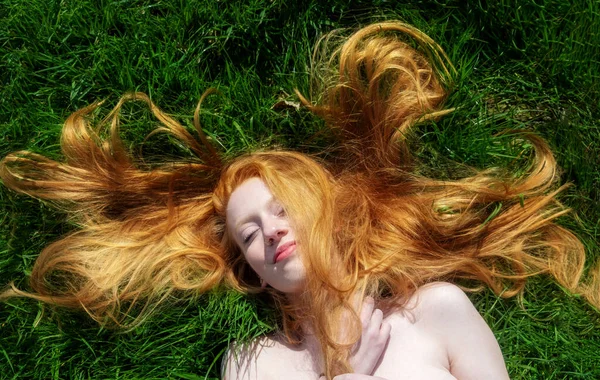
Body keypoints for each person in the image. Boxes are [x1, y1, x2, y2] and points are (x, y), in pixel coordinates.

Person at [1, 21, 598, 379]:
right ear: (254, 273)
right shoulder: (253, 365)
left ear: (328, 217)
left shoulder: (435, 312)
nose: (272, 232)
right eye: (251, 233)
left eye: (284, 209)